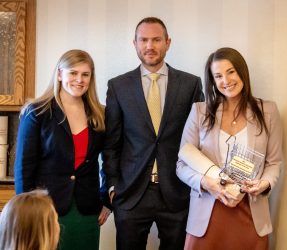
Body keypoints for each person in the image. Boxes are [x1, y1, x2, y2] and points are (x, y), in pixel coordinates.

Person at [103, 17, 204, 250]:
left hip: (177, 192)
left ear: (168, 43)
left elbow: (199, 142)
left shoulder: (190, 85)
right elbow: (111, 143)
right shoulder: (118, 86)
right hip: (131, 193)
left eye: (156, 39)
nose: (150, 46)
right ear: (135, 44)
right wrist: (112, 186)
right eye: (144, 40)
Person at [176, 47, 283, 250]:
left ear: (242, 71)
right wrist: (207, 183)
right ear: (213, 81)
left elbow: (274, 163)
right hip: (208, 211)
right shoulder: (200, 112)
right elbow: (182, 164)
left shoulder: (268, 111)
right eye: (218, 76)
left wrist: (264, 184)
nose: (226, 80)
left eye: (231, 71)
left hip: (250, 212)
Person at [14, 49, 111, 250]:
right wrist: (25, 209)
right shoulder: (37, 112)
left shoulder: (100, 114)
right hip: (45, 209)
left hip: (87, 209)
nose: (79, 80)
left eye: (85, 74)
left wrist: (107, 200)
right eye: (73, 73)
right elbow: (24, 167)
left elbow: (110, 160)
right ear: (59, 74)